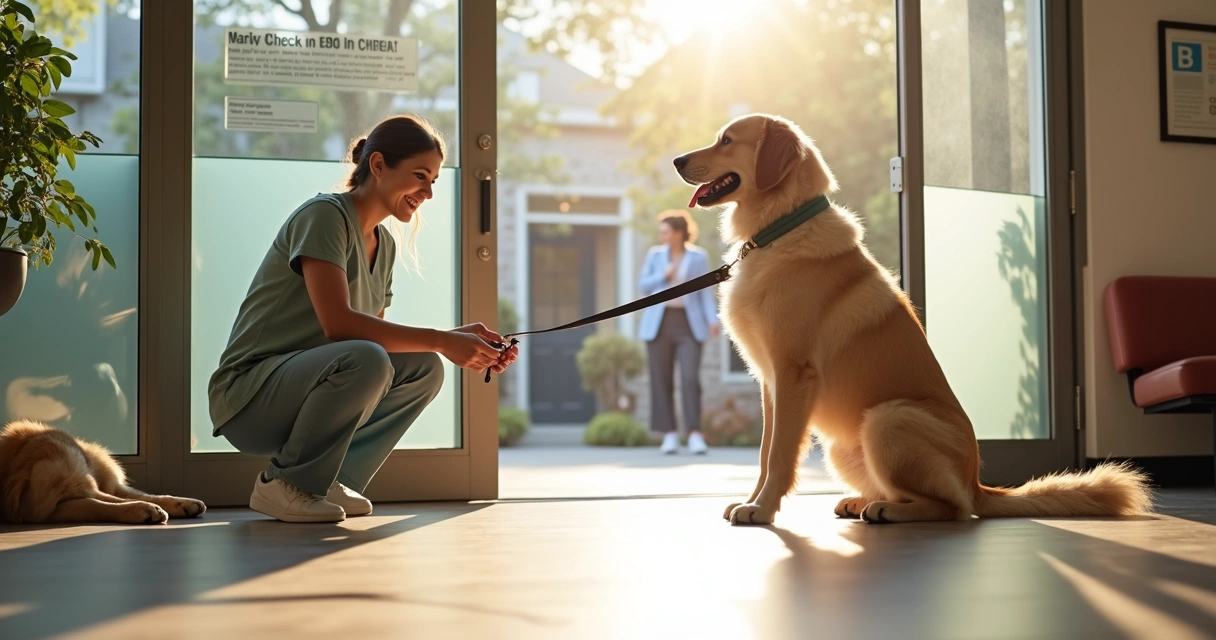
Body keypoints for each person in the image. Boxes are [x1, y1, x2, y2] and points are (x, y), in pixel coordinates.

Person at [207, 115, 518, 523]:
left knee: (424, 368)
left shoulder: (383, 245)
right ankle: (286, 484)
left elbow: (374, 338)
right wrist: (442, 339)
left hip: (301, 387)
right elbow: (341, 326)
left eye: (433, 181)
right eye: (419, 176)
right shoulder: (325, 216)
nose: (427, 192)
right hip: (250, 397)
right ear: (378, 166)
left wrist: (453, 339)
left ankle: (326, 476)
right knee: (371, 358)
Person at [636, 210, 720, 455]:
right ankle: (669, 434)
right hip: (659, 324)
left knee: (690, 378)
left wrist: (711, 319)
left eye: (665, 231)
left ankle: (694, 433)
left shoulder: (698, 257)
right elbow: (643, 285)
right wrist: (663, 275)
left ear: (678, 233)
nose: (661, 235)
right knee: (661, 380)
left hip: (689, 324)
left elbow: (704, 291)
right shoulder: (655, 255)